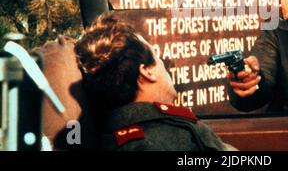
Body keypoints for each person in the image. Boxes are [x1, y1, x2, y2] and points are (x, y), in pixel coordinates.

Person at [74, 13, 233, 150]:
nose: (166, 65)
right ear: (147, 72)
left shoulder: (110, 138)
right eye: (158, 58)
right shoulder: (172, 138)